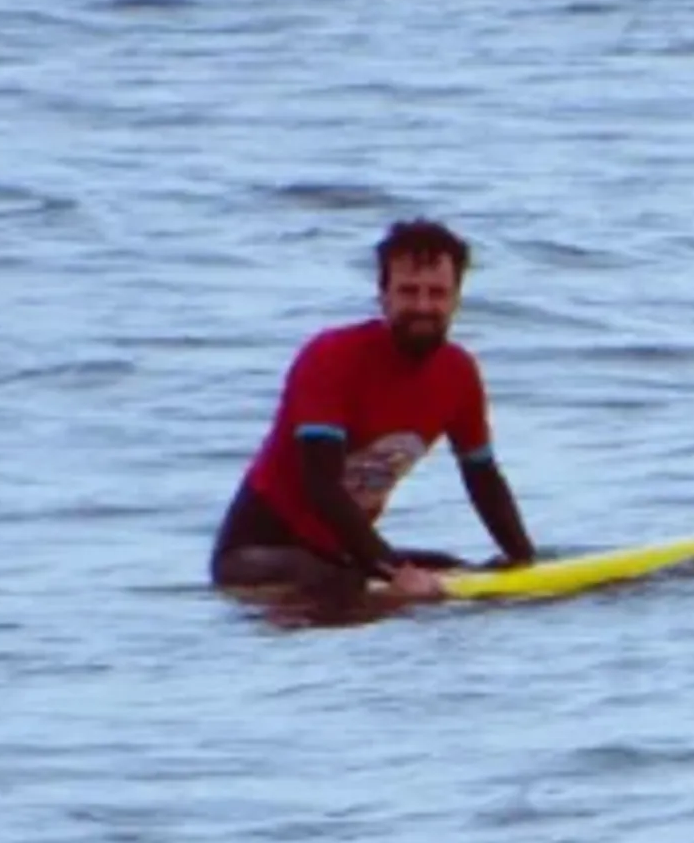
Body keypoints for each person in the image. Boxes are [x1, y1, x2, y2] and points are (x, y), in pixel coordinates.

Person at [210, 217, 538, 605]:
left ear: (456, 299)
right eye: (408, 292)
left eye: (437, 293)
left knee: (456, 570)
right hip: (254, 555)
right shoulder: (330, 357)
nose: (422, 306)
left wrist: (525, 564)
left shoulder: (459, 373)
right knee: (354, 585)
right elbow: (321, 485)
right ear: (383, 295)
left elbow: (482, 478)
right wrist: (390, 570)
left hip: (341, 554)